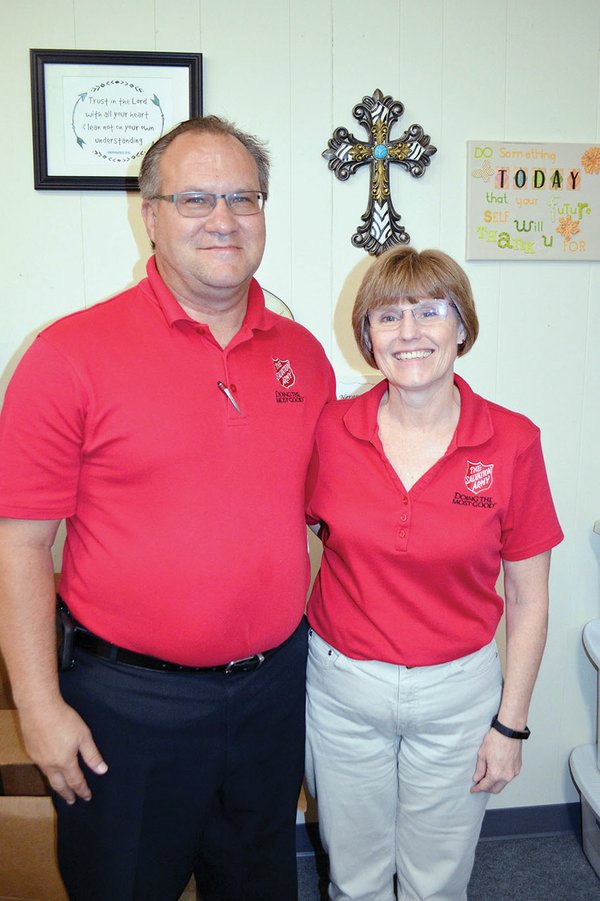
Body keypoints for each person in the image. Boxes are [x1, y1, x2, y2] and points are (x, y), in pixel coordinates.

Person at [0, 115, 335, 901]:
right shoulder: (67, 354)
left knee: (255, 884)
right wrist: (40, 706)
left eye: (243, 197)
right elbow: (19, 544)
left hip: (272, 691)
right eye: (194, 199)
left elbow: (332, 513)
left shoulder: (304, 355)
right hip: (128, 707)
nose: (223, 219)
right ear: (148, 215)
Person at [304, 246, 563, 901]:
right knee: (354, 876)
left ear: (462, 326)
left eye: (430, 311)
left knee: (436, 882)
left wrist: (510, 724)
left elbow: (530, 599)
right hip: (342, 689)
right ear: (367, 336)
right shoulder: (330, 430)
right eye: (388, 316)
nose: (410, 331)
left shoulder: (512, 441)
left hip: (458, 695)